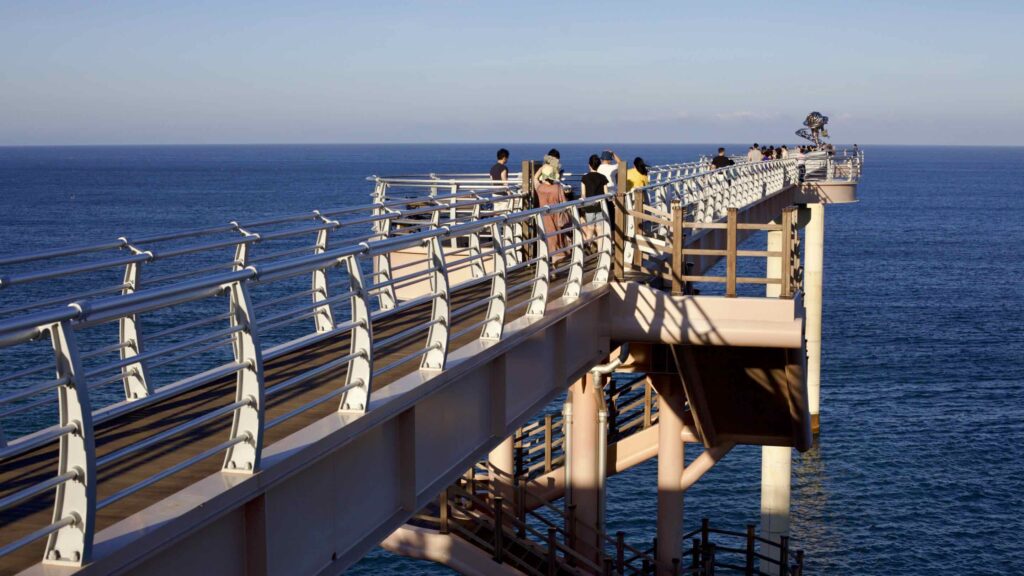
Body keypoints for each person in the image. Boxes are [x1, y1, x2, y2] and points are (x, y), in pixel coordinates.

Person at [534, 163, 569, 263]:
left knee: (547, 239)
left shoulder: (540, 188)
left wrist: (542, 167)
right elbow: (564, 203)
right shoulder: (557, 188)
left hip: (544, 217)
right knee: (556, 238)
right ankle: (554, 265)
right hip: (556, 216)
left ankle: (547, 264)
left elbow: (535, 178)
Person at [579, 154, 609, 240]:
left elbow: (583, 195)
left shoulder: (585, 178)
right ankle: (601, 251)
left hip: (589, 206)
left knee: (590, 228)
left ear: (589, 165)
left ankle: (588, 245)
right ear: (599, 165)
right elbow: (606, 193)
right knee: (600, 229)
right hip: (600, 206)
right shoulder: (603, 177)